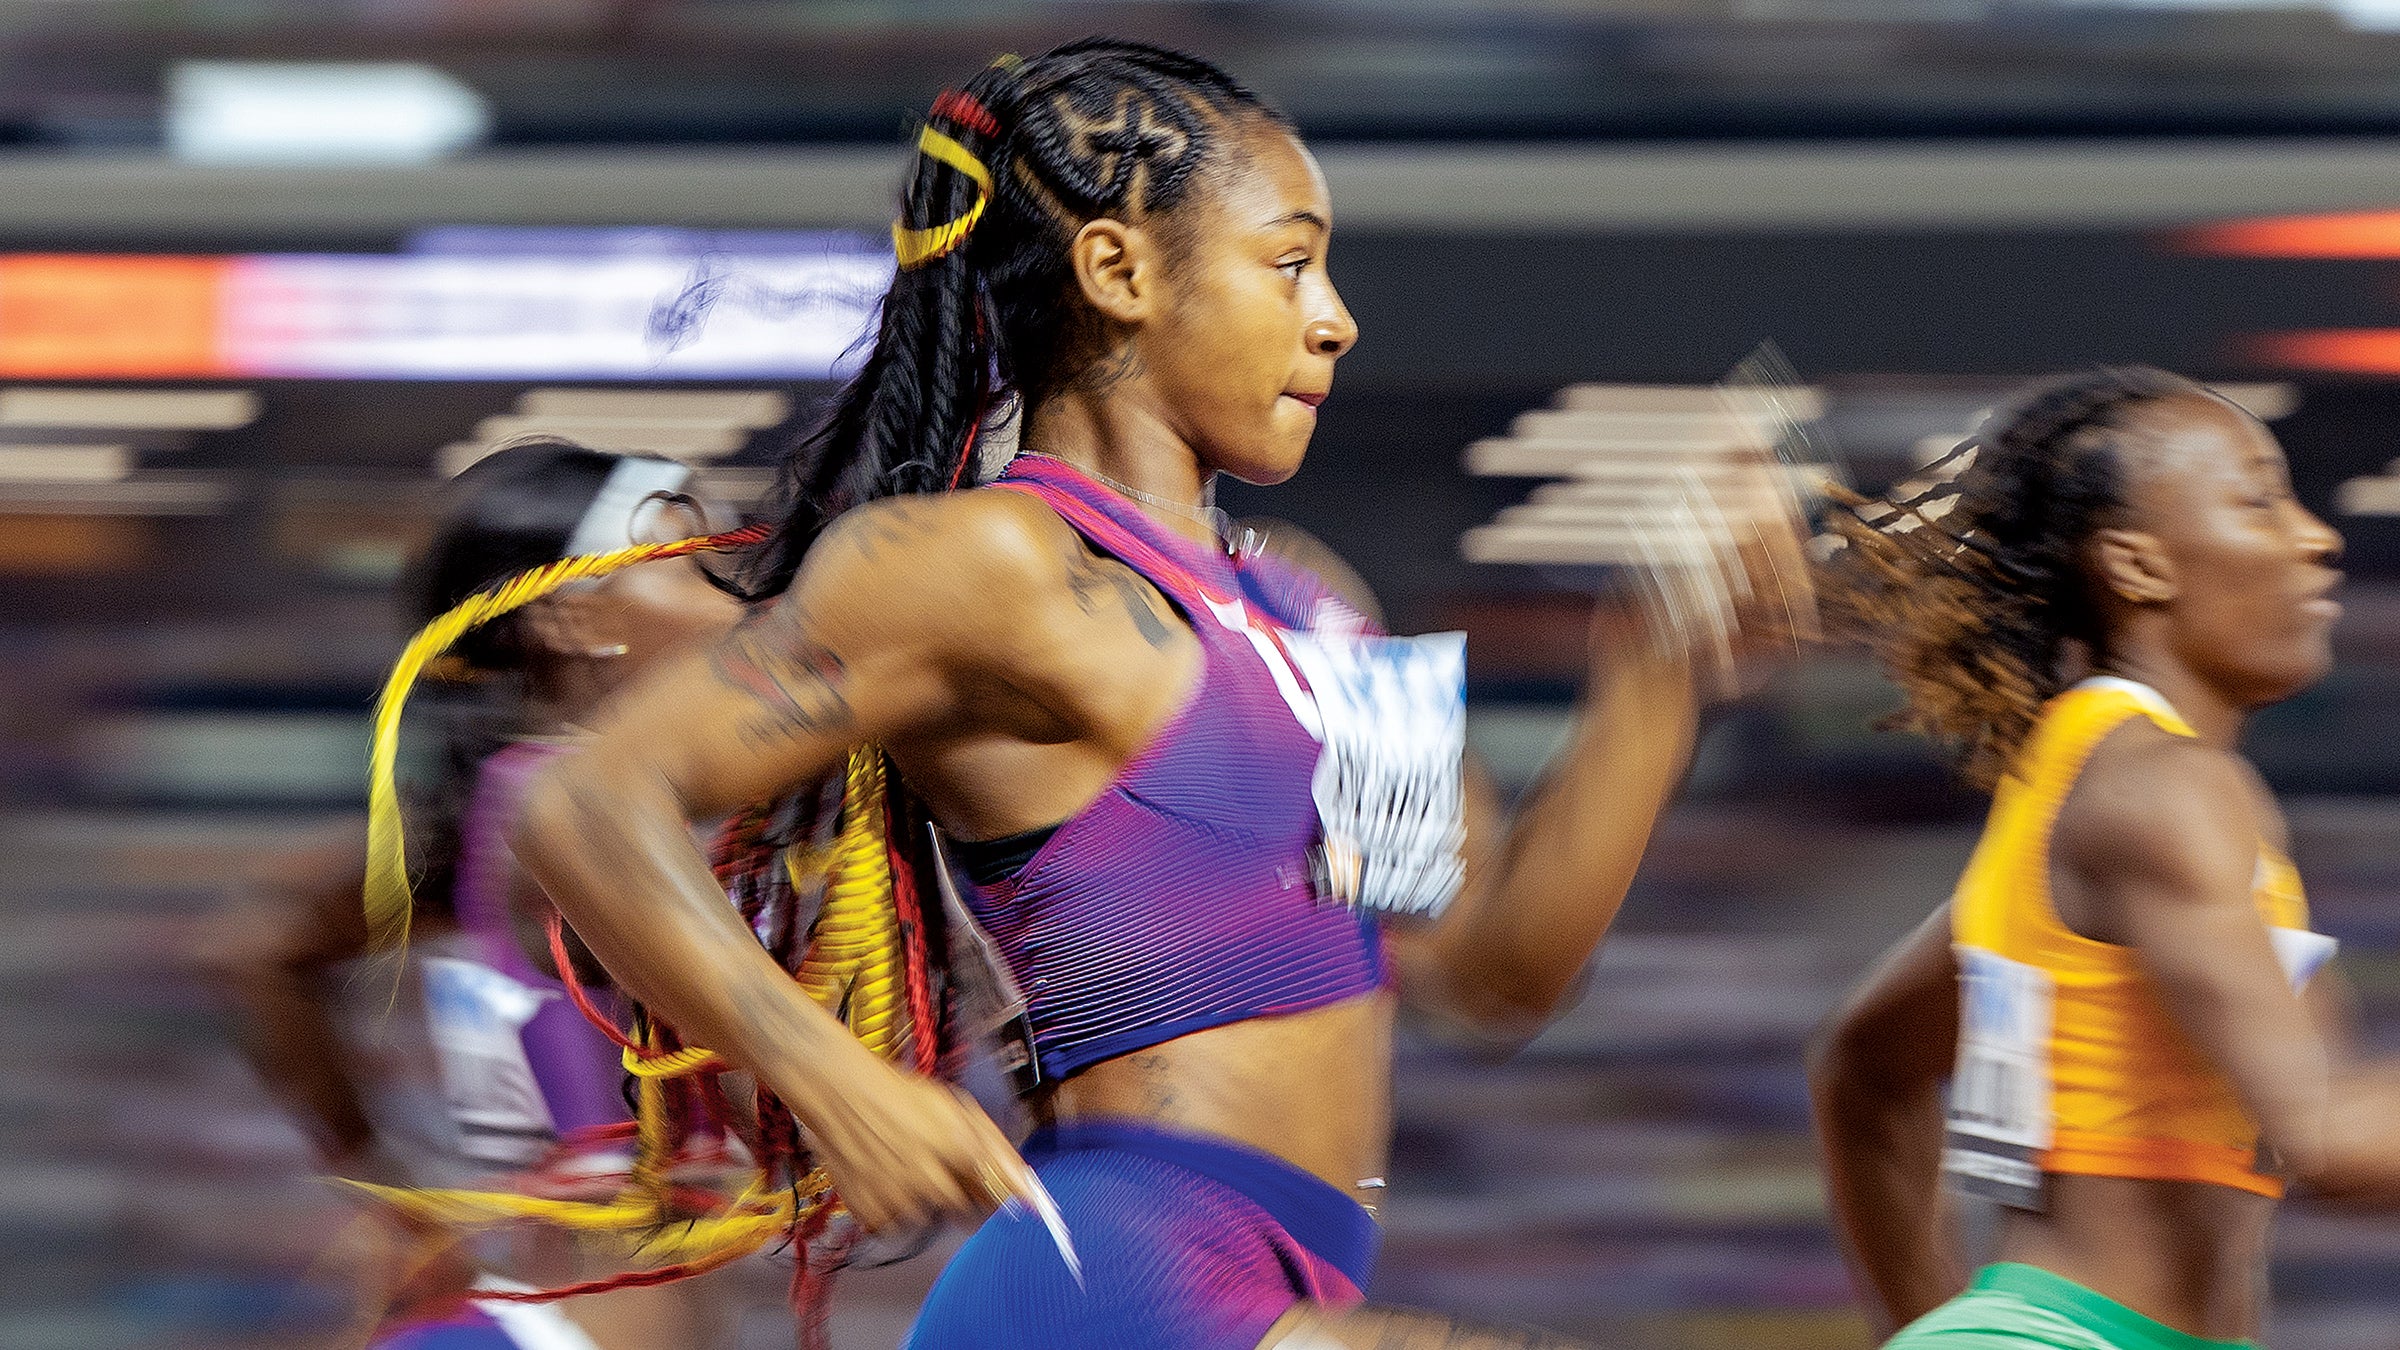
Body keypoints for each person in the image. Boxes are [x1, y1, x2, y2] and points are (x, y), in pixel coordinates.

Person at [501, 38, 1809, 1350]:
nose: (1336, 316)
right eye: (1290, 261)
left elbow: (1488, 973)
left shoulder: (1320, 599)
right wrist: (827, 1073)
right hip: (1112, 1288)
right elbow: (589, 802)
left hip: (1273, 1289)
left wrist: (1653, 670)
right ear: (1120, 271)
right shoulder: (990, 562)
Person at [1808, 367, 2400, 1350]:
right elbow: (2330, 1138)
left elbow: (1866, 1066)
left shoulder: (2080, 789)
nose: (2316, 536)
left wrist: (1939, 1328)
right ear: (2138, 566)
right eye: (2259, 500)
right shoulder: (2159, 790)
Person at [207, 440, 746, 1349]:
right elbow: (791, 1087)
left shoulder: (520, 803)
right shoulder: (575, 813)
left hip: (545, 1312)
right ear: (574, 622)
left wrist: (387, 1194)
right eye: (688, 569)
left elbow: (262, 953)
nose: (735, 603)